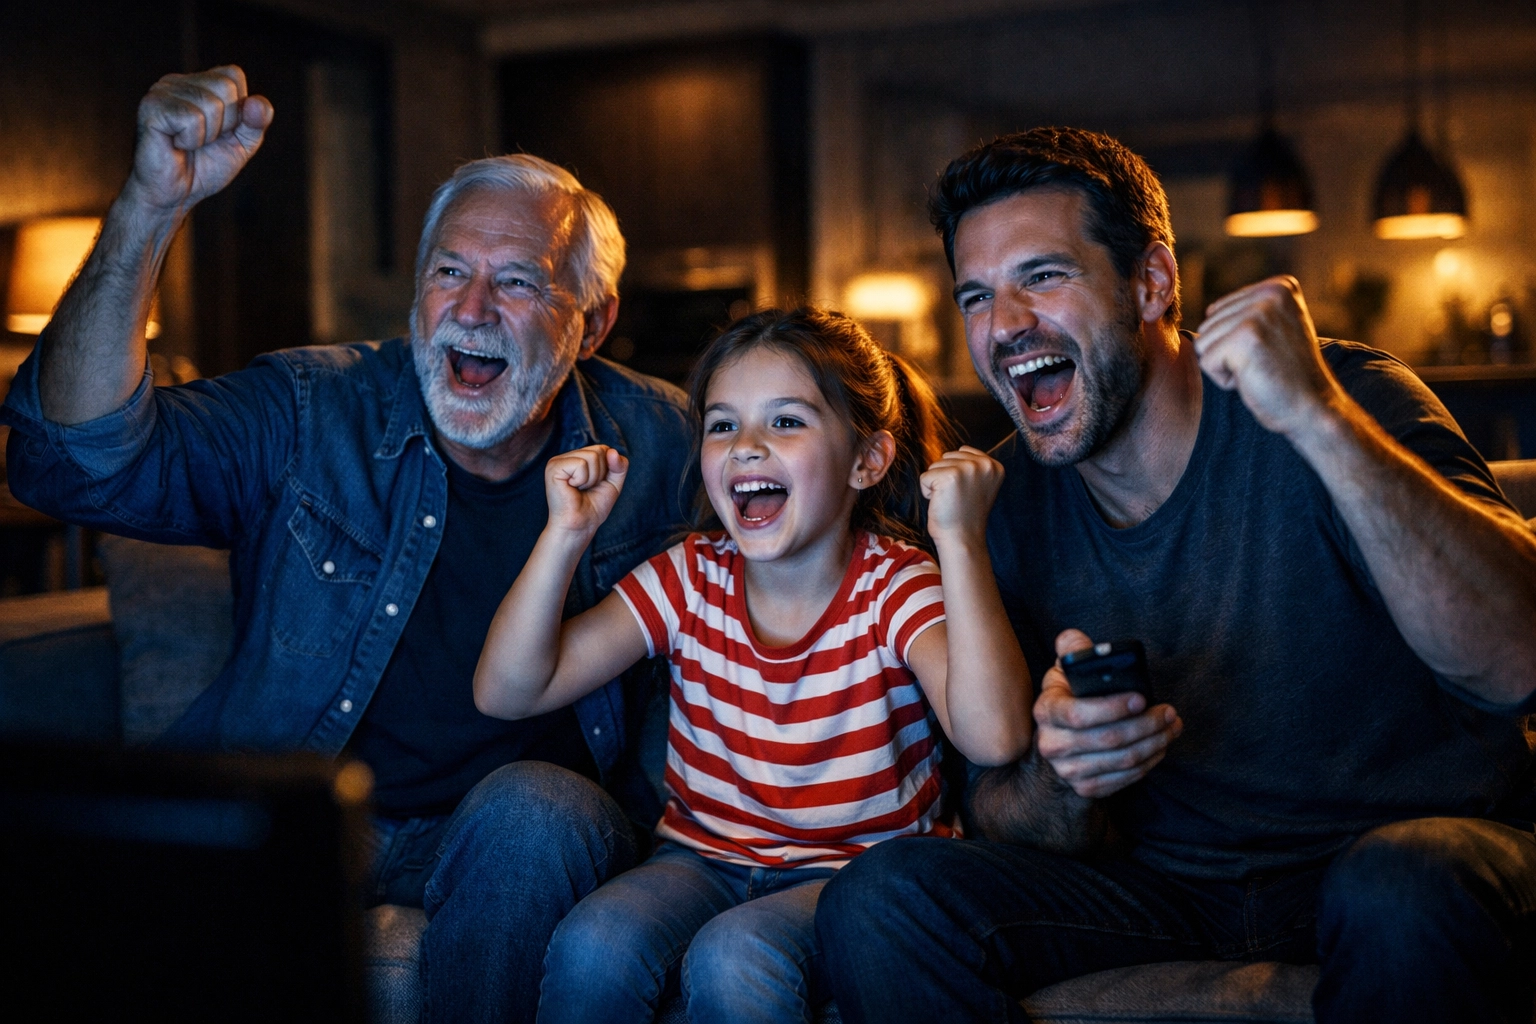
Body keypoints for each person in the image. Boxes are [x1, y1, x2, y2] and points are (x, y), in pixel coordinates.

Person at [0, 66, 695, 1023]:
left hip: (507, 839)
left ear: (594, 320)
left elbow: (838, 506)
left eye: (519, 282)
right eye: (449, 271)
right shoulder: (309, 406)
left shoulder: (666, 441)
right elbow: (65, 463)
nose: (473, 309)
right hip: (314, 811)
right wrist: (148, 207)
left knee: (541, 806)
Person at [815, 127, 1536, 1024]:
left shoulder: (1347, 398)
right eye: (976, 295)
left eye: (1043, 276)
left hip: (1408, 858)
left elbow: (1518, 660)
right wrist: (1067, 775)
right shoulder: (998, 506)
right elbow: (996, 805)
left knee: (1402, 885)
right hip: (1170, 894)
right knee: (882, 902)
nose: (1002, 326)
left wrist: (1315, 418)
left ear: (1152, 282)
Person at [472, 307, 1034, 1024]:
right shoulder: (688, 578)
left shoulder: (896, 585)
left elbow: (994, 738)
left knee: (736, 958)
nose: (746, 448)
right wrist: (566, 533)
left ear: (868, 459)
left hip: (856, 877)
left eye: (787, 422)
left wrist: (958, 540)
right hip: (699, 860)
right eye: (723, 424)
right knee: (595, 944)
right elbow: (509, 691)